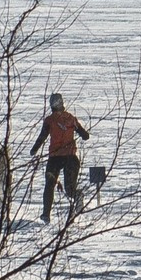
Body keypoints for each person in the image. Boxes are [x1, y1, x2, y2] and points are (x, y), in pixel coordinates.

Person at [35, 92, 92, 222]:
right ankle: (49, 212)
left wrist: (34, 149)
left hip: (59, 157)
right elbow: (84, 134)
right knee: (66, 187)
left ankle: (46, 214)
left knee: (51, 184)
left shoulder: (53, 120)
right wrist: (84, 135)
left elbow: (42, 137)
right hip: (67, 158)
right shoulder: (69, 118)